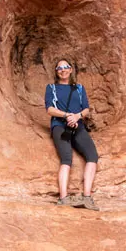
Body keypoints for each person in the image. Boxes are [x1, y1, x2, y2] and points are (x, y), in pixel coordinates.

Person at [44, 59, 99, 209]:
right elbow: (49, 109)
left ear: (70, 70)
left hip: (78, 124)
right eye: (59, 68)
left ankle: (87, 197)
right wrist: (67, 115)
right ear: (56, 71)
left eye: (65, 67)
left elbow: (86, 108)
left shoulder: (79, 88)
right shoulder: (51, 88)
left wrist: (77, 117)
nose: (63, 70)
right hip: (60, 126)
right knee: (67, 158)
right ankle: (63, 198)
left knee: (92, 155)